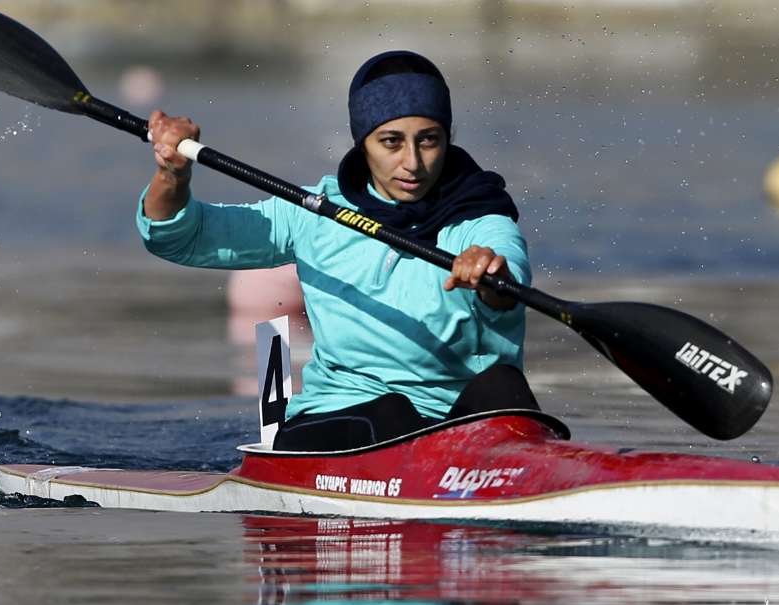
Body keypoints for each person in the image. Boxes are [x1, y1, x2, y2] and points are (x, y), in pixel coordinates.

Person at [137, 51, 540, 451]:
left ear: (447, 139)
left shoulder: (484, 222)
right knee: (391, 412)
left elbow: (508, 277)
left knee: (504, 385)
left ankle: (542, 477)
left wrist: (492, 279)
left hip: (454, 424)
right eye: (391, 142)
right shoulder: (313, 213)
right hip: (338, 418)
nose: (412, 163)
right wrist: (172, 173)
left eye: (429, 140)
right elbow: (177, 236)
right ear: (362, 143)